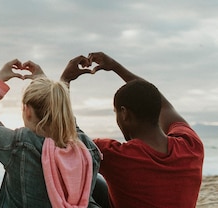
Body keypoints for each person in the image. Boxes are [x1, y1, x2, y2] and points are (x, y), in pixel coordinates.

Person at [62, 52, 204, 208]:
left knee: (91, 182)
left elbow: (66, 134)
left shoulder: (114, 156)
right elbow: (165, 105)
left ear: (124, 113)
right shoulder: (191, 145)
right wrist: (116, 67)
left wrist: (65, 80)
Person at [0, 59, 102, 208]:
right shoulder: (87, 149)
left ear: (27, 111)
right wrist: (43, 80)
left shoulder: (20, 144)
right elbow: (67, 120)